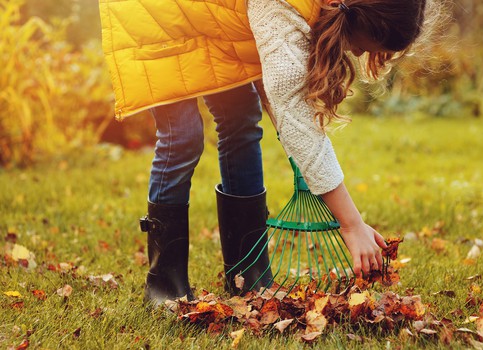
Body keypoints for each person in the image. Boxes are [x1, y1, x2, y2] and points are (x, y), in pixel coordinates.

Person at [99, 0, 431, 306]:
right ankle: (165, 284)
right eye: (361, 46)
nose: (355, 51)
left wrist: (295, 139)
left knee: (241, 120)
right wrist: (351, 223)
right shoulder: (283, 4)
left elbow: (279, 90)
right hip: (156, 12)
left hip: (214, 17)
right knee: (183, 135)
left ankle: (248, 273)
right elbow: (293, 106)